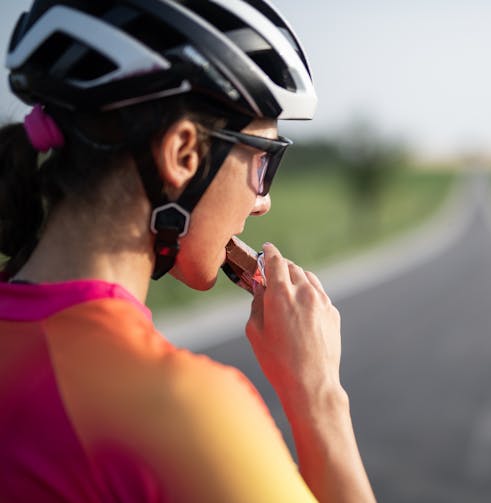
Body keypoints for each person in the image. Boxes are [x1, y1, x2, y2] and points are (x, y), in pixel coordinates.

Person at [0, 1, 376, 502]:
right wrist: (321, 397)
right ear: (183, 154)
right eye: (264, 160)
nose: (263, 201)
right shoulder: (184, 410)